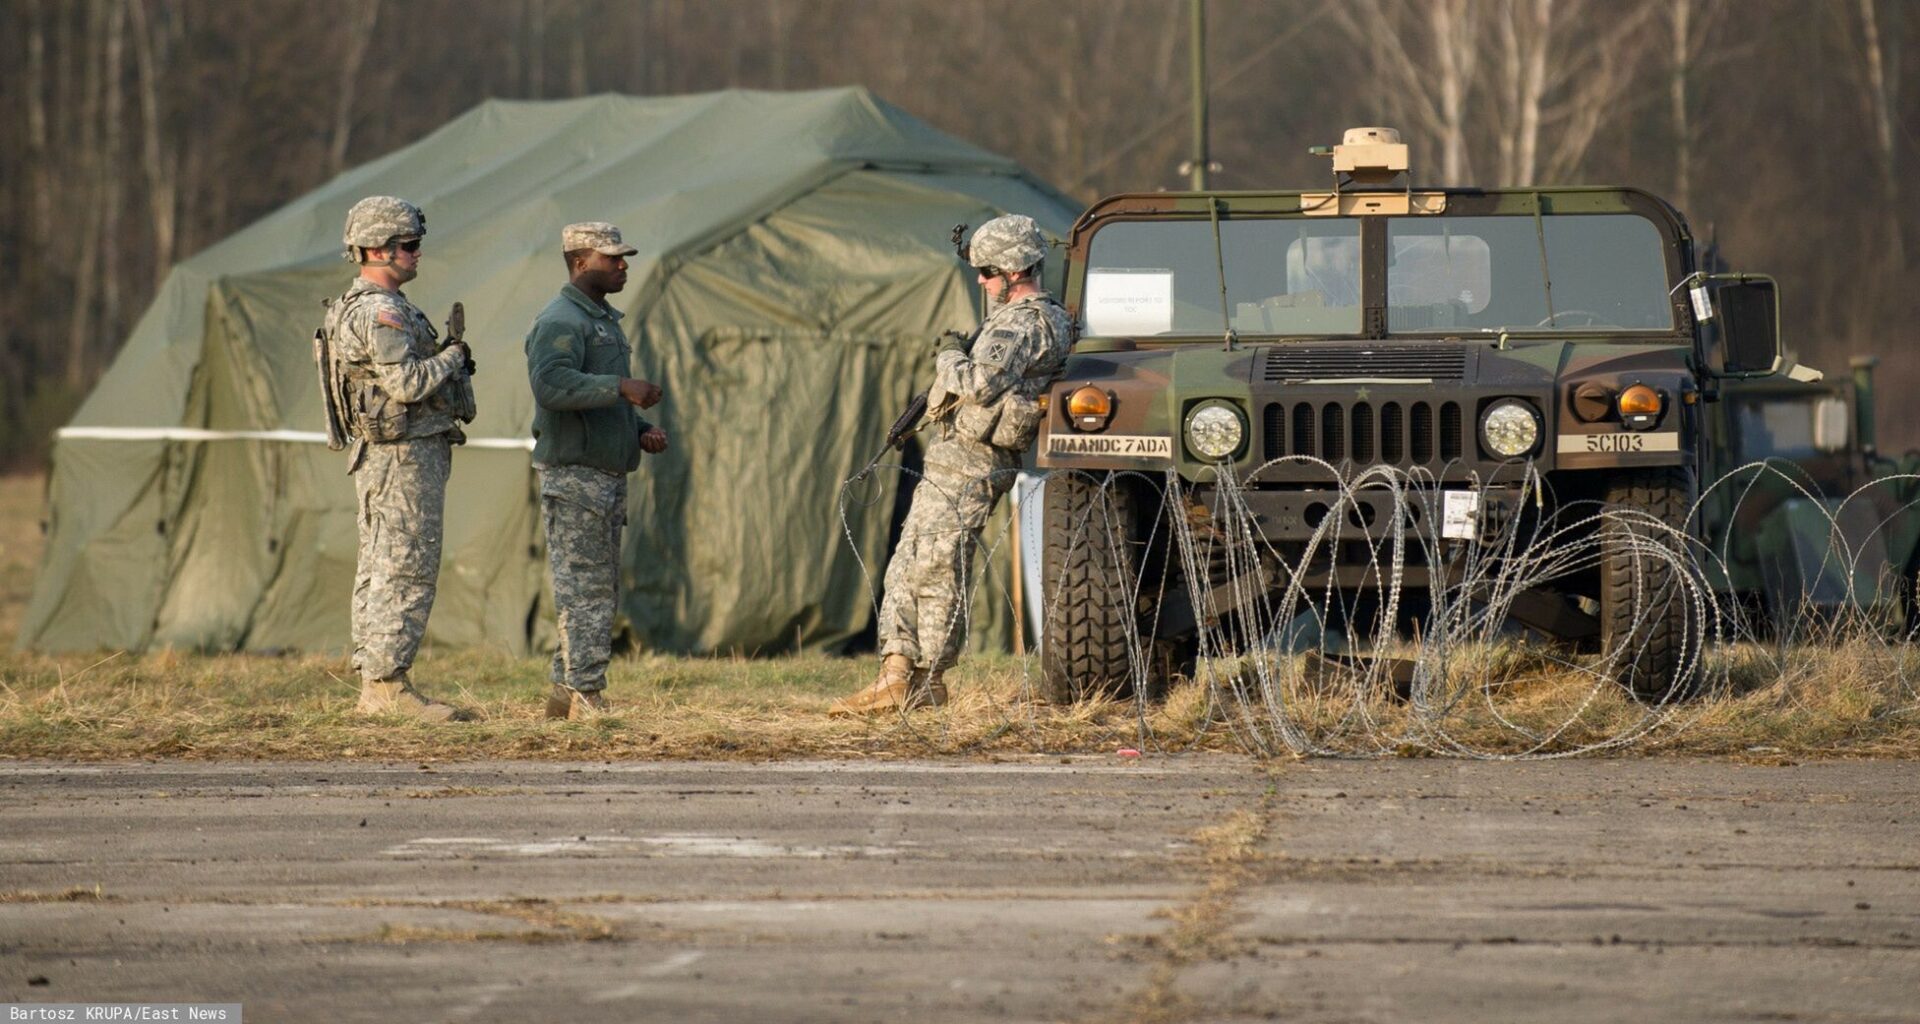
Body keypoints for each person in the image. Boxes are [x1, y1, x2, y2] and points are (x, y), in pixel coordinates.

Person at [831, 215, 1074, 716]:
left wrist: (949, 356)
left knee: (941, 566)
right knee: (908, 562)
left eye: (986, 271)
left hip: (976, 461)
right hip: (953, 458)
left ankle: (927, 678)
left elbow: (981, 384)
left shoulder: (1028, 322)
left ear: (1012, 269)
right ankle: (896, 673)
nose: (981, 282)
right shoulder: (1012, 319)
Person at [322, 196, 477, 721]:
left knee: (382, 563)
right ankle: (388, 688)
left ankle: (378, 684)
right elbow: (405, 384)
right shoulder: (380, 311)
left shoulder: (369, 307)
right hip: (402, 456)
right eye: (407, 245)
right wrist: (453, 357)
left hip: (395, 455)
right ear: (375, 249)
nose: (416, 254)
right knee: (405, 565)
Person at [525, 222, 668, 720]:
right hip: (575, 476)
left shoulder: (601, 319)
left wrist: (639, 427)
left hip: (604, 474)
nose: (623, 265)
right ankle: (587, 696)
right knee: (584, 590)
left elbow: (596, 396)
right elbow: (551, 385)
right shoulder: (562, 320)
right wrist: (622, 387)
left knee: (597, 588)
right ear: (581, 261)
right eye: (612, 258)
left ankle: (565, 695)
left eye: (624, 257)